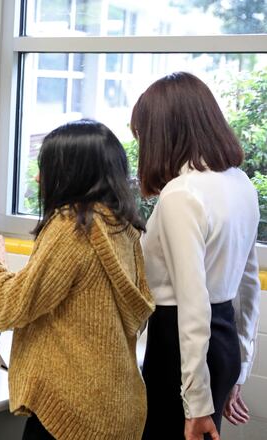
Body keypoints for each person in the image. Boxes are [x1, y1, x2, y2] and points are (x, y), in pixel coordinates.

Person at [0, 120, 155, 439]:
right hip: (114, 405)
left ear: (71, 173)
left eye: (45, 168)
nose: (37, 177)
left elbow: (15, 304)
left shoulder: (73, 226)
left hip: (73, 413)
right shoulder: (122, 228)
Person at [131, 72, 260, 440]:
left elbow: (192, 305)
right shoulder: (241, 182)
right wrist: (240, 364)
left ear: (164, 133)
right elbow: (248, 287)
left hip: (181, 349)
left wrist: (197, 403)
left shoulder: (180, 194)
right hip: (221, 344)